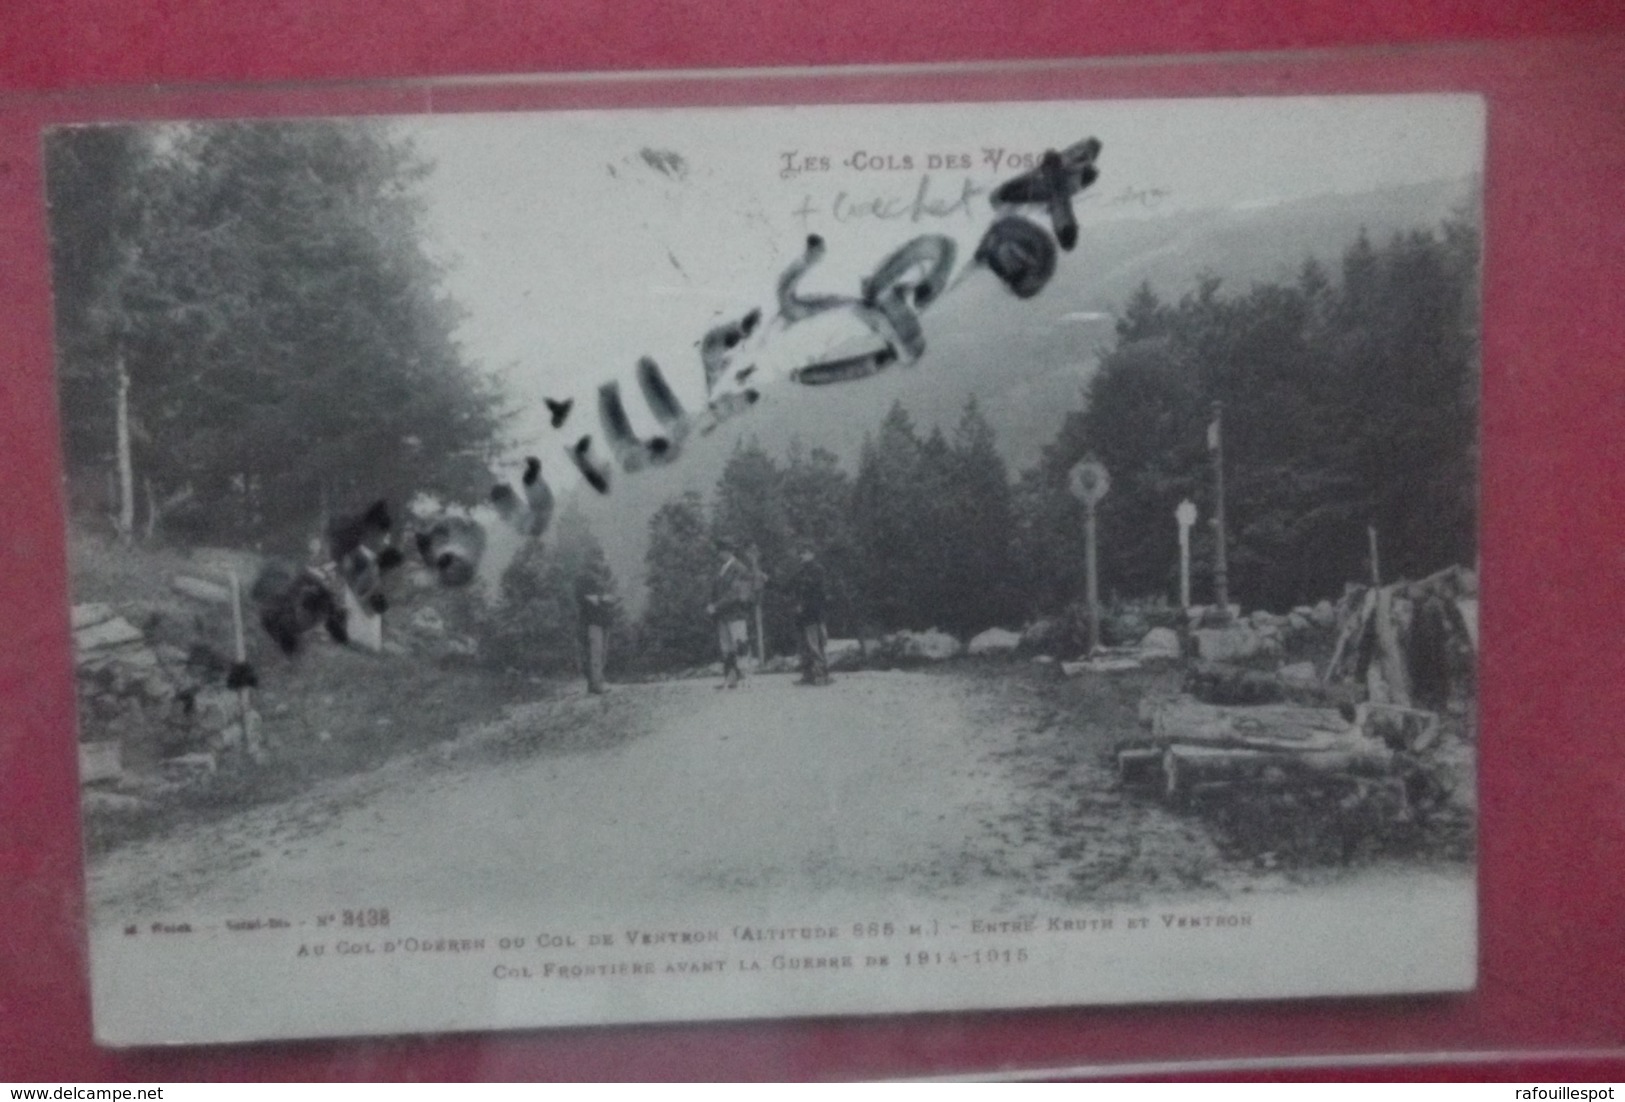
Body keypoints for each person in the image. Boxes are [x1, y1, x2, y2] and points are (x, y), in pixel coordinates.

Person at [706, 540, 756, 689]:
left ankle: (746, 678)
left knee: (740, 644)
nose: (719, 554)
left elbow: (735, 593)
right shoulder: (722, 569)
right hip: (723, 614)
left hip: (736, 613)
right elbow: (715, 591)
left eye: (721, 550)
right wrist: (712, 605)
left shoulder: (739, 568)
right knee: (727, 647)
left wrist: (715, 606)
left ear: (728, 551)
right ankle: (731, 678)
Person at [792, 544, 831, 686]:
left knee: (815, 645)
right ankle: (808, 674)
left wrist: (804, 605)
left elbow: (818, 592)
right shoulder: (801, 572)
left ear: (812, 554)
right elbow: (789, 587)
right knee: (804, 646)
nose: (801, 555)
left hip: (813, 613)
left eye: (804, 552)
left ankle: (821, 674)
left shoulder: (818, 570)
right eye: (800, 553)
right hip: (802, 615)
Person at [574, 565, 615, 695]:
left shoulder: (602, 581)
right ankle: (596, 685)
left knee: (601, 653)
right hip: (592, 622)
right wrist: (603, 598)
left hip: (603, 621)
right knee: (595, 654)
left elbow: (608, 599)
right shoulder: (584, 582)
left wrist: (602, 598)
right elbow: (590, 599)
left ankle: (595, 684)